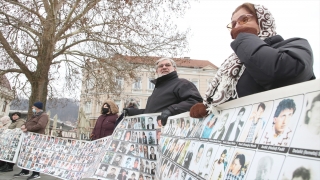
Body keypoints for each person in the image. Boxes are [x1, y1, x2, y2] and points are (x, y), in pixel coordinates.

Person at [190, 2, 315, 118]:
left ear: (263, 21)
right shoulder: (232, 63)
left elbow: (286, 72)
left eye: (244, 19)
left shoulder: (295, 44)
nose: (237, 26)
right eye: (233, 24)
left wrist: (245, 39)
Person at [124, 57, 203, 126]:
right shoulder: (157, 89)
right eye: (161, 66)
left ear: (175, 69)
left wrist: (171, 110)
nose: (164, 67)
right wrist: (131, 112)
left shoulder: (182, 83)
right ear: (156, 71)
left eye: (167, 65)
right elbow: (151, 113)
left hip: (170, 133)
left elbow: (195, 101)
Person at [14, 101, 49, 180]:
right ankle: (25, 170)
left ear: (36, 107)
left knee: (34, 155)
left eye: (33, 106)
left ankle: (36, 173)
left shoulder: (44, 115)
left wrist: (28, 128)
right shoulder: (35, 115)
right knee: (26, 154)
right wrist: (24, 125)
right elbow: (28, 122)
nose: (32, 108)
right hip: (29, 138)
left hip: (36, 138)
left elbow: (40, 125)